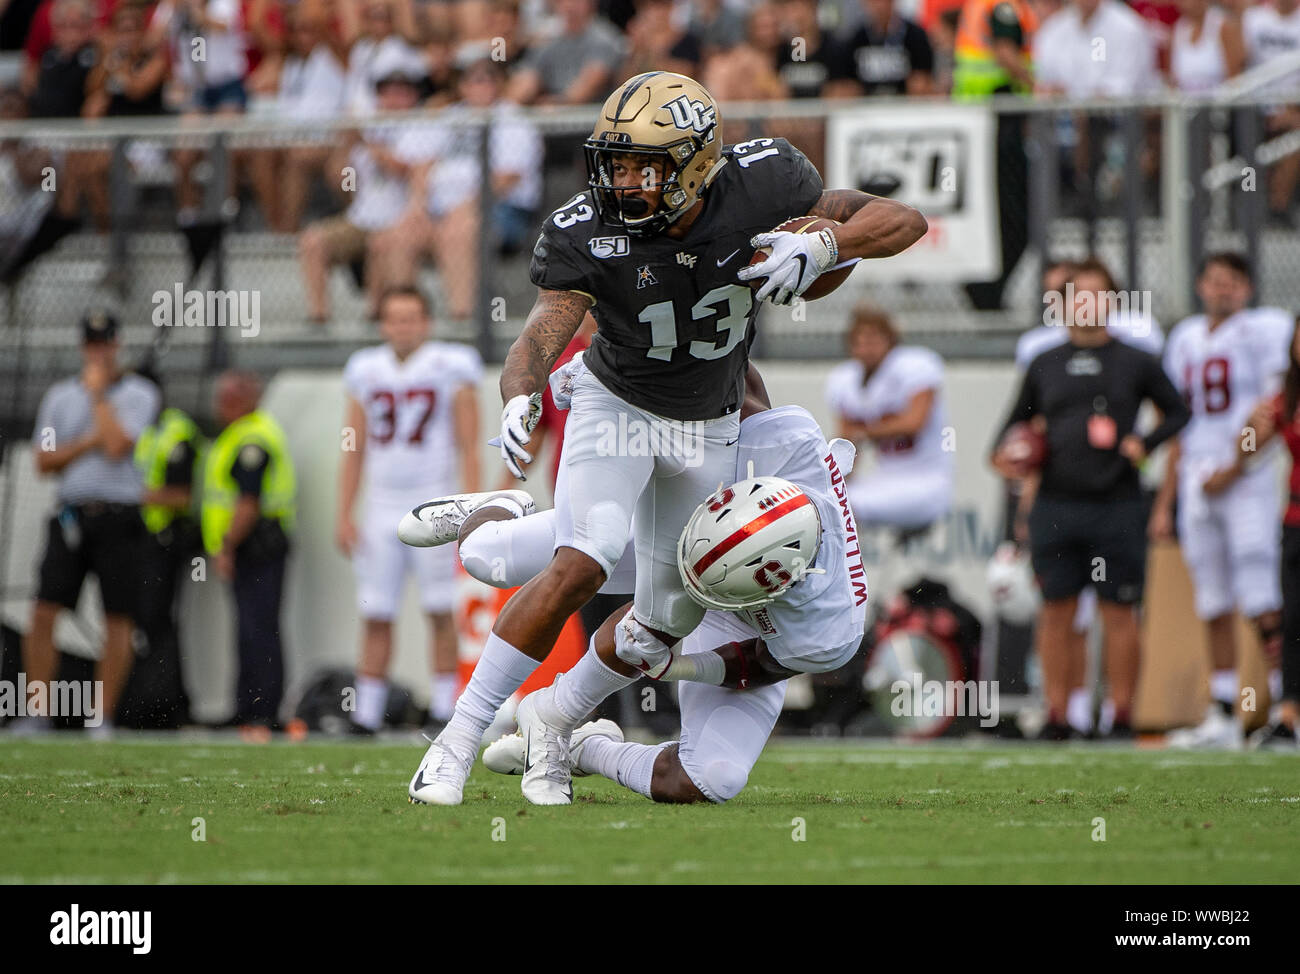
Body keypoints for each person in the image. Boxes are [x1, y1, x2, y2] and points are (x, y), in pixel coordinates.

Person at [399, 70, 925, 806]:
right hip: (617, 405)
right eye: (614, 162)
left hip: (705, 427)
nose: (623, 180)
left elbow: (906, 222)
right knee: (587, 557)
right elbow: (543, 327)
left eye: (644, 164)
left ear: (699, 161)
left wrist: (829, 244)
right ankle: (455, 740)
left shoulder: (766, 184)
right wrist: (520, 393)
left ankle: (503, 532)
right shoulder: (587, 229)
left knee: (648, 614)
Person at [463, 388, 868, 805]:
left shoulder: (829, 631)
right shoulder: (787, 446)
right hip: (692, 523)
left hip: (745, 625)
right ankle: (502, 510)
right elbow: (727, 372)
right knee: (487, 555)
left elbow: (761, 664)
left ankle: (581, 744)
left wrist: (681, 667)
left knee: (712, 780)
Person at [992, 260, 1189, 740]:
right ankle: (1058, 715)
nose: (1087, 304)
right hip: (1057, 507)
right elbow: (1005, 440)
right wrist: (1013, 462)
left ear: (1113, 303)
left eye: (1098, 294)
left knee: (1118, 612)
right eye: (1079, 294)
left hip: (1117, 503)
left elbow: (1180, 411)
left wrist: (1145, 443)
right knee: (1056, 611)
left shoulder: (1135, 361)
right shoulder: (1045, 363)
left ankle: (1121, 714)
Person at [1154, 252, 1293, 747]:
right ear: (1200, 285)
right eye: (1215, 280)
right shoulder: (1186, 337)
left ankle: (1281, 707)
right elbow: (1177, 424)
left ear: (1249, 289)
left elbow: (1274, 410)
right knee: (1212, 597)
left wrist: (1236, 466)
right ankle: (1225, 713)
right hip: (1196, 476)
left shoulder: (1262, 331)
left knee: (1261, 595)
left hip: (1247, 479)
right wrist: (1166, 497)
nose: (1223, 290)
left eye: (1233, 281)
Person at [336, 286, 483, 733]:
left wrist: (472, 509)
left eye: (411, 317)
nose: (402, 326)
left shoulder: (450, 365)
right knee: (376, 612)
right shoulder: (365, 369)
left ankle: (444, 709)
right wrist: (344, 511)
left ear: (427, 322)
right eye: (394, 318)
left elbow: (468, 444)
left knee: (440, 610)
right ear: (382, 324)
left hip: (435, 504)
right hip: (381, 507)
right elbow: (353, 446)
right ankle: (365, 714)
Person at [18, 310, 160, 735]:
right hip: (71, 515)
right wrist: (87, 441)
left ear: (117, 344)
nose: (99, 351)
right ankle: (38, 712)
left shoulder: (139, 393)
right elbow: (44, 460)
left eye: (106, 343)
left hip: (119, 518)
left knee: (117, 617)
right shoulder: (59, 397)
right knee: (44, 611)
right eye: (92, 344)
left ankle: (102, 716)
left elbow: (117, 445)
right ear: (83, 347)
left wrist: (98, 399)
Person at [368, 52, 543, 324]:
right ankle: (404, 323)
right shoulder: (448, 116)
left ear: (499, 84)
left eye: (487, 79)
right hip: (441, 210)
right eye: (472, 79)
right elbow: (420, 163)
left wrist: (465, 209)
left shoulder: (513, 119)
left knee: (457, 233)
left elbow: (507, 178)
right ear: (461, 86)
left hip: (500, 210)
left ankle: (462, 323)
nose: (480, 85)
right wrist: (417, 206)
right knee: (397, 236)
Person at [1207, 316, 1300, 748]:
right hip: (1295, 518)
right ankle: (1289, 712)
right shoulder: (1286, 399)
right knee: (1293, 616)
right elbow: (1248, 450)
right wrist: (1249, 428)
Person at [298, 55, 427, 323]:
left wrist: (367, 140)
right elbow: (341, 182)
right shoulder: (368, 130)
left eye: (401, 93)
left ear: (413, 96)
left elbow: (404, 169)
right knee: (312, 241)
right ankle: (318, 317)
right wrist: (345, 142)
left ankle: (374, 317)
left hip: (400, 219)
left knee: (381, 243)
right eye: (386, 92)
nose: (393, 99)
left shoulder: (422, 127)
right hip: (361, 218)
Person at [201, 370, 296, 731]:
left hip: (258, 545)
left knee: (259, 628)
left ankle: (263, 710)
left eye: (230, 398)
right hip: (253, 545)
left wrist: (226, 546)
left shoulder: (251, 438)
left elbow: (248, 503)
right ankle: (247, 707)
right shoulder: (243, 433)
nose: (221, 406)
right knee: (249, 628)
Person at [827, 305, 953, 530]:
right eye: (860, 341)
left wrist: (864, 431)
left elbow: (914, 422)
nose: (866, 348)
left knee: (844, 506)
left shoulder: (915, 365)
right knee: (825, 502)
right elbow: (847, 447)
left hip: (925, 482)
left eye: (873, 339)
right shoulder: (844, 379)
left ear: (890, 340)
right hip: (881, 478)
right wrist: (836, 484)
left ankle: (848, 565)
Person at [127, 376, 204, 728]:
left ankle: (166, 705)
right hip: (142, 541)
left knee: (158, 622)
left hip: (166, 541)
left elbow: (180, 495)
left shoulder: (176, 432)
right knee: (146, 622)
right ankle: (150, 701)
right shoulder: (144, 430)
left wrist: (125, 494)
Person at [953, 0, 1038, 310]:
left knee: (996, 215)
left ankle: (986, 293)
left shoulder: (978, 6)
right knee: (1016, 218)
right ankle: (986, 292)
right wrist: (1039, 89)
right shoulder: (1002, 6)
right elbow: (1005, 53)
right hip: (999, 122)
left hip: (981, 123)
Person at [1242, 0, 1300, 227]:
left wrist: (1291, 110)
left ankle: (1278, 207)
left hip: (1293, 107)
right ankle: (1249, 200)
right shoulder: (1254, 18)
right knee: (1247, 147)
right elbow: (1241, 64)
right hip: (1254, 107)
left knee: (1293, 141)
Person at [505, 0, 624, 105]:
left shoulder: (604, 39)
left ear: (591, 3)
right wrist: (506, 106)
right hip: (552, 118)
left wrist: (553, 104)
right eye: (563, 1)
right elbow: (527, 78)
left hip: (592, 122)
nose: (570, 6)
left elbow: (584, 91)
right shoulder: (549, 40)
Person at [825, 0, 936, 96]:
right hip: (866, 110)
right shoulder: (856, 39)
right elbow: (845, 84)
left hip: (905, 108)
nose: (879, 6)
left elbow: (923, 79)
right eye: (873, 2)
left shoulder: (915, 35)